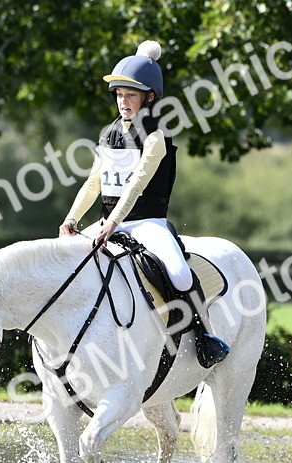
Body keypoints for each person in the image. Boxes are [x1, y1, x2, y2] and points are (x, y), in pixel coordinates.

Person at [58, 40, 230, 369]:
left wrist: (113, 222)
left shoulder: (156, 136)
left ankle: (203, 334)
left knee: (179, 274)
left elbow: (137, 184)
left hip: (147, 223)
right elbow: (94, 182)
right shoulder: (109, 134)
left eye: (130, 95)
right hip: (109, 221)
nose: (123, 101)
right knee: (66, 262)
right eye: (119, 95)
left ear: (149, 97)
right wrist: (72, 219)